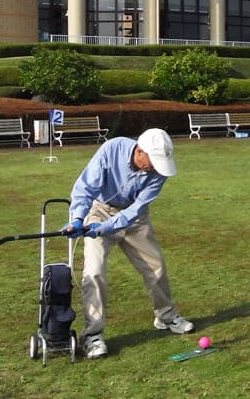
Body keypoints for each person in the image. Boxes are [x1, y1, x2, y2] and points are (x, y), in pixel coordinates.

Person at [63, 128, 193, 360]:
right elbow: (86, 187)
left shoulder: (158, 172)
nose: (153, 168)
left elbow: (136, 208)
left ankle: (165, 316)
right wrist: (77, 219)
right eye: (152, 161)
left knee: (156, 266)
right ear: (140, 151)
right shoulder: (111, 149)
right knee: (94, 272)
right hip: (99, 210)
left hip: (134, 217)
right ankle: (93, 335)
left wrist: (108, 227)